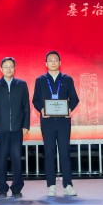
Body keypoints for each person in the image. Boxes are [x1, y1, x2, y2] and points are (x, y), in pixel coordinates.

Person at [32, 51, 80, 197]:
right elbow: (35, 100)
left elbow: (75, 99)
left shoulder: (67, 79)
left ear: (60, 62)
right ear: (46, 64)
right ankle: (51, 185)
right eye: (50, 60)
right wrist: (42, 110)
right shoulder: (40, 80)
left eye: (56, 60)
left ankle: (68, 185)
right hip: (47, 122)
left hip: (63, 121)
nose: (53, 62)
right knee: (49, 152)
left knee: (65, 152)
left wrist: (69, 109)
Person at [0, 57, 30, 199]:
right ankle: (2, 188)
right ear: (1, 69)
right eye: (6, 66)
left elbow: (26, 106)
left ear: (14, 68)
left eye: (11, 66)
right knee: (2, 160)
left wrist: (26, 125)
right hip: (1, 129)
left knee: (17, 159)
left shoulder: (22, 84)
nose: (8, 69)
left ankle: (17, 188)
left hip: (17, 129)